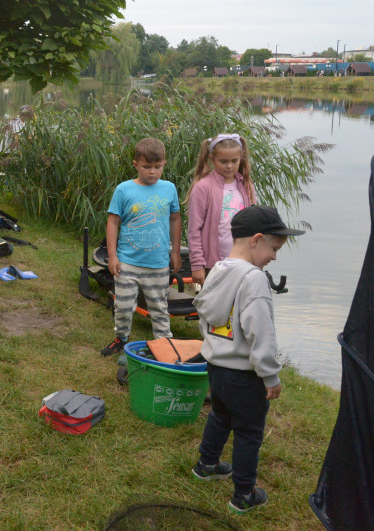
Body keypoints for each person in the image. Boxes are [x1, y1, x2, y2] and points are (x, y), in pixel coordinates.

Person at [191, 205, 304, 514]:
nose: (275, 257)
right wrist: (270, 376)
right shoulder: (254, 279)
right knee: (248, 432)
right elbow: (261, 333)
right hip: (244, 374)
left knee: (220, 415)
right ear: (256, 240)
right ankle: (244, 494)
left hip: (216, 366)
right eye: (274, 248)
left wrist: (214, 347)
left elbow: (204, 315)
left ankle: (206, 464)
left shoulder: (219, 269)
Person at [100, 137, 181, 357]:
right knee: (123, 306)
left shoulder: (169, 189)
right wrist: (112, 256)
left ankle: (164, 346)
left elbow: (175, 219)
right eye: (146, 167)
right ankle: (120, 338)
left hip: (158, 263)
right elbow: (113, 222)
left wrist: (175, 251)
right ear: (135, 165)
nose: (152, 172)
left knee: (159, 308)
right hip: (128, 261)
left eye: (157, 167)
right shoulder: (124, 190)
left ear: (164, 163)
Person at [187, 134, 258, 285]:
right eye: (223, 161)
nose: (229, 166)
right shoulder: (202, 188)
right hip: (213, 265)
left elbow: (254, 225)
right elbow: (194, 230)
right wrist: (197, 265)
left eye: (234, 161)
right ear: (212, 159)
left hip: (242, 262)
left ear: (241, 159)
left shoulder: (247, 187)